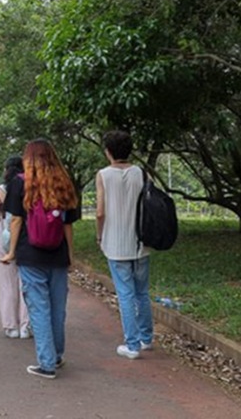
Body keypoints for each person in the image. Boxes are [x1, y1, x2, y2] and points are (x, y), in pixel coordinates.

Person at [0, 139, 79, 379]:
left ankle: (46, 364)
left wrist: (11, 251)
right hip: (58, 254)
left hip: (30, 254)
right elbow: (67, 224)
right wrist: (70, 255)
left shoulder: (20, 184)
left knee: (39, 308)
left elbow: (15, 220)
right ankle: (56, 355)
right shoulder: (64, 183)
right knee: (57, 307)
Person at [95, 129, 152, 360]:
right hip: (140, 242)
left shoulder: (103, 175)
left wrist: (99, 237)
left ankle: (132, 344)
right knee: (142, 292)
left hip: (115, 244)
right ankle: (146, 338)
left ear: (108, 151)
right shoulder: (141, 172)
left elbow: (100, 212)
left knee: (125, 295)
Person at [0, 155, 30, 339]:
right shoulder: (29, 187)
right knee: (26, 282)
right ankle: (26, 326)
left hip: (3, 234)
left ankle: (11, 326)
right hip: (26, 234)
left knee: (6, 283)